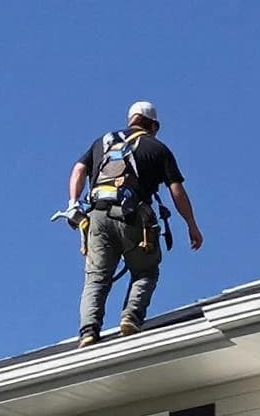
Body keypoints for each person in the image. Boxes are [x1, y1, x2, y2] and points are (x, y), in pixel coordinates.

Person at [68, 100, 202, 346]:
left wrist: (73, 202)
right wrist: (191, 225)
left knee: (97, 277)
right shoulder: (157, 148)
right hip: (135, 218)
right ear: (153, 125)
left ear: (131, 120)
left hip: (97, 215)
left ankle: (88, 330)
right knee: (146, 271)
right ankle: (131, 316)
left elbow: (78, 169)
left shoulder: (103, 142)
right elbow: (177, 191)